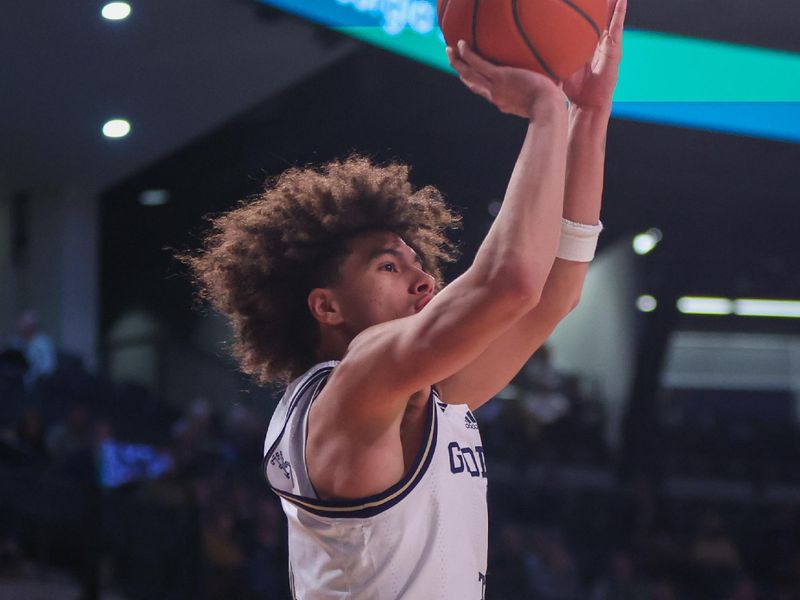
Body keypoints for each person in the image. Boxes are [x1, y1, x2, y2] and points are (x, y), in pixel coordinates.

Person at [183, 0, 626, 596]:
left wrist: (588, 117)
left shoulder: (424, 395)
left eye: (421, 266)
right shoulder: (352, 390)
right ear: (327, 307)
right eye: (390, 266)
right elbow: (512, 282)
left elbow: (554, 294)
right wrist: (547, 112)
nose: (425, 282)